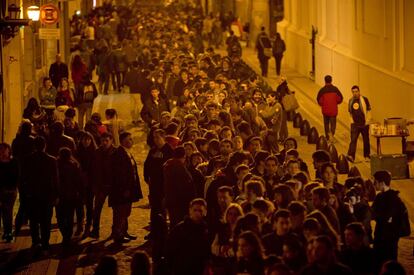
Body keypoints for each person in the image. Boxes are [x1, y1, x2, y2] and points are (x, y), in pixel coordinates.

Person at [21, 136, 58, 252]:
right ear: (45, 145)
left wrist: (24, 193)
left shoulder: (27, 160)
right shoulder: (52, 160)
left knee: (34, 220)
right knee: (46, 221)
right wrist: (56, 195)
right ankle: (45, 243)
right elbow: (55, 179)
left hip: (32, 195)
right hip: (47, 195)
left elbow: (23, 178)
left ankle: (35, 241)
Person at [109, 132, 143, 243]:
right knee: (120, 212)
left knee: (125, 212)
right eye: (129, 139)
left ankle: (124, 231)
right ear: (123, 141)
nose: (131, 141)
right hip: (121, 191)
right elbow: (120, 175)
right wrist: (125, 189)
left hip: (128, 189)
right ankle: (118, 235)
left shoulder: (126, 152)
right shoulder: (119, 154)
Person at [372, 170, 410, 266]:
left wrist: (383, 218)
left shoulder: (393, 199)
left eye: (375, 182)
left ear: (382, 183)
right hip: (381, 237)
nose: (373, 184)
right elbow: (375, 214)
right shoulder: (380, 197)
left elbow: (384, 217)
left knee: (389, 263)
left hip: (389, 239)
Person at [167, 198, 209, 275]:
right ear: (190, 211)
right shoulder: (180, 228)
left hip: (199, 269)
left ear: (205, 212)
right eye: (195, 210)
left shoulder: (207, 230)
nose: (197, 213)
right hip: (182, 269)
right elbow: (170, 250)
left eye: (200, 210)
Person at [90, 132, 116, 239]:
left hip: (113, 185)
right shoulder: (97, 152)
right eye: (103, 141)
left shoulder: (116, 152)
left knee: (117, 210)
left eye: (107, 140)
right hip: (100, 185)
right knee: (97, 209)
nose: (104, 143)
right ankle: (95, 230)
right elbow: (93, 169)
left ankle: (117, 231)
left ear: (111, 141)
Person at [163, 146, 196, 228]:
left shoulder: (168, 165)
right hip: (180, 202)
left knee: (173, 222)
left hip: (171, 200)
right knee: (178, 223)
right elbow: (184, 185)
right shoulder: (179, 167)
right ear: (184, 156)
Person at [56, 147, 82, 246]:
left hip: (60, 196)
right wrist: (80, 193)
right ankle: (67, 235)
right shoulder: (74, 165)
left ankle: (65, 235)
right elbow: (78, 181)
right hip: (71, 195)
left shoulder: (56, 165)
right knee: (70, 217)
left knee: (60, 216)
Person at [346, 85, 371, 163]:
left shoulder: (365, 99)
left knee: (366, 140)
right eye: (353, 92)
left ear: (359, 92)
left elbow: (369, 111)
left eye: (356, 91)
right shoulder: (351, 101)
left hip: (364, 124)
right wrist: (352, 122)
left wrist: (367, 121)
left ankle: (367, 155)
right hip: (355, 125)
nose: (355, 93)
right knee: (353, 140)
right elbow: (350, 112)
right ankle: (351, 156)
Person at [0, 143, 19, 242]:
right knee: (3, 211)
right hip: (1, 189)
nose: (2, 151)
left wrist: (13, 187)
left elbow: (17, 176)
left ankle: (8, 232)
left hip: (10, 190)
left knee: (8, 211)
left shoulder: (14, 161)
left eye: (4, 149)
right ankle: (6, 231)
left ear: (9, 150)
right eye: (0, 150)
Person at [316, 75, 343, 142]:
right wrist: (336, 103)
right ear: (331, 80)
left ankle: (327, 137)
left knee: (326, 124)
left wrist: (323, 104)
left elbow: (319, 100)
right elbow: (340, 98)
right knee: (333, 124)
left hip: (325, 110)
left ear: (324, 80)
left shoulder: (322, 90)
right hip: (333, 110)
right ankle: (331, 135)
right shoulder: (335, 89)